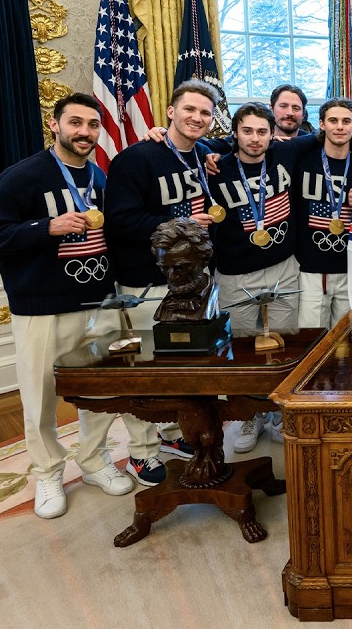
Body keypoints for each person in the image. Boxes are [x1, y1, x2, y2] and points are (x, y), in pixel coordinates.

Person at [0, 93, 155, 515]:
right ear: (54, 125)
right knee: (40, 397)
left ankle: (94, 460)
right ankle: (48, 473)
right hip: (43, 308)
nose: (84, 132)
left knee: (100, 393)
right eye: (75, 123)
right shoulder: (23, 176)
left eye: (92, 125)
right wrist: (45, 227)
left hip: (101, 302)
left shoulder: (103, 179)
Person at [103, 78, 225, 472]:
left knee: (183, 365)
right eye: (189, 109)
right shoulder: (136, 159)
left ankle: (174, 433)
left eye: (205, 113)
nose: (197, 117)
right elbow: (121, 221)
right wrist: (183, 224)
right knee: (149, 370)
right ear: (169, 111)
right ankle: (140, 451)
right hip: (148, 282)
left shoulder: (202, 153)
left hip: (195, 280)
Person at [202, 101, 301, 452]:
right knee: (243, 349)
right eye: (247, 131)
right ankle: (248, 414)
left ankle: (277, 412)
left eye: (262, 131)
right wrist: (205, 151)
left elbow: (335, 136)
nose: (255, 138)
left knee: (285, 341)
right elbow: (190, 145)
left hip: (283, 265)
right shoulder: (214, 168)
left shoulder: (287, 155)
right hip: (234, 272)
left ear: (272, 133)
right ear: (235, 133)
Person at [292, 98, 352, 329]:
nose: (340, 127)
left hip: (351, 268)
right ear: (322, 124)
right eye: (333, 121)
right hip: (310, 268)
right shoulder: (301, 159)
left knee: (348, 342)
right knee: (311, 339)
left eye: (346, 121)